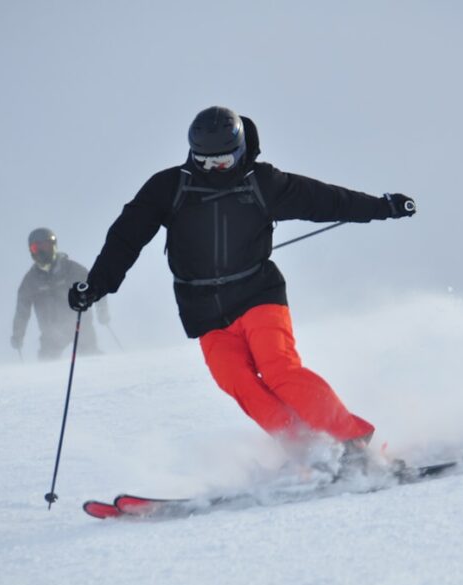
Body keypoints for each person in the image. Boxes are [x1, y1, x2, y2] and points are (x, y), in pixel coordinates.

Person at [68, 106, 415, 464]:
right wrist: (96, 285)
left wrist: (383, 206)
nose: (215, 168)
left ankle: (352, 441)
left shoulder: (262, 182)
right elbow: (127, 236)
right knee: (238, 382)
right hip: (203, 310)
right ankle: (304, 449)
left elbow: (326, 199)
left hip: (257, 294)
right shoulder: (169, 187)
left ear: (239, 149)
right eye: (205, 162)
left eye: (224, 160)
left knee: (280, 369)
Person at [11, 227, 109, 360]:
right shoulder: (31, 281)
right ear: (31, 251)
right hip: (51, 333)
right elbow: (22, 311)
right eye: (36, 248)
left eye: (45, 246)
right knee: (46, 363)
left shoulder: (72, 269)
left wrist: (102, 311)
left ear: (53, 246)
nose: (41, 251)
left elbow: (95, 286)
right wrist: (18, 334)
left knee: (90, 356)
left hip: (80, 325)